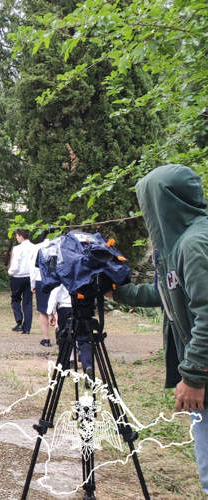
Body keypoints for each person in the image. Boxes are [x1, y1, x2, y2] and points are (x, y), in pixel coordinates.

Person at [109, 165, 208, 494]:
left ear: (165, 202)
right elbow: (165, 292)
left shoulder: (194, 243)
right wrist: (118, 292)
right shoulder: (177, 246)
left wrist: (194, 376)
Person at [8, 228, 35, 334]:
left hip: (18, 276)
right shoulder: (34, 247)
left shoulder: (17, 249)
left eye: (17, 235)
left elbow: (15, 263)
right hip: (30, 277)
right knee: (27, 302)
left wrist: (10, 272)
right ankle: (27, 328)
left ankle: (19, 321)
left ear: (20, 236)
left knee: (15, 299)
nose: (16, 237)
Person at [31, 237, 53, 347]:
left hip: (42, 279)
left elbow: (34, 268)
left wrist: (32, 283)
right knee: (59, 308)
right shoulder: (62, 245)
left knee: (43, 310)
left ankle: (46, 338)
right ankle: (60, 335)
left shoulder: (38, 247)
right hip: (59, 280)